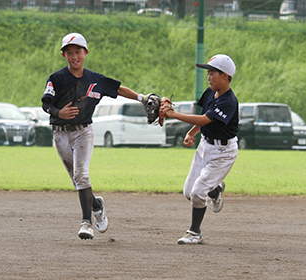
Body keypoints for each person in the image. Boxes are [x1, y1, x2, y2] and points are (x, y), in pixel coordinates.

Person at [41, 33, 148, 240]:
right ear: (64, 55)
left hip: (83, 132)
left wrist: (142, 98)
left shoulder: (95, 79)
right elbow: (46, 104)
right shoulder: (57, 78)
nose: (74, 57)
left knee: (82, 175)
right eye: (69, 53)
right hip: (60, 134)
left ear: (85, 53)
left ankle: (86, 223)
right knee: (77, 181)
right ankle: (97, 205)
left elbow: (118, 89)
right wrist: (58, 112)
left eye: (78, 52)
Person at [162, 54, 239, 244]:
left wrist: (173, 114)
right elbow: (205, 117)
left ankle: (194, 232)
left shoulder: (229, 101)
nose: (208, 76)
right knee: (189, 192)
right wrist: (192, 132)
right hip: (205, 145)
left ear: (225, 76)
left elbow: (205, 120)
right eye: (208, 73)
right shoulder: (209, 93)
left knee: (198, 193)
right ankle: (215, 190)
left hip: (223, 153)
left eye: (212, 73)